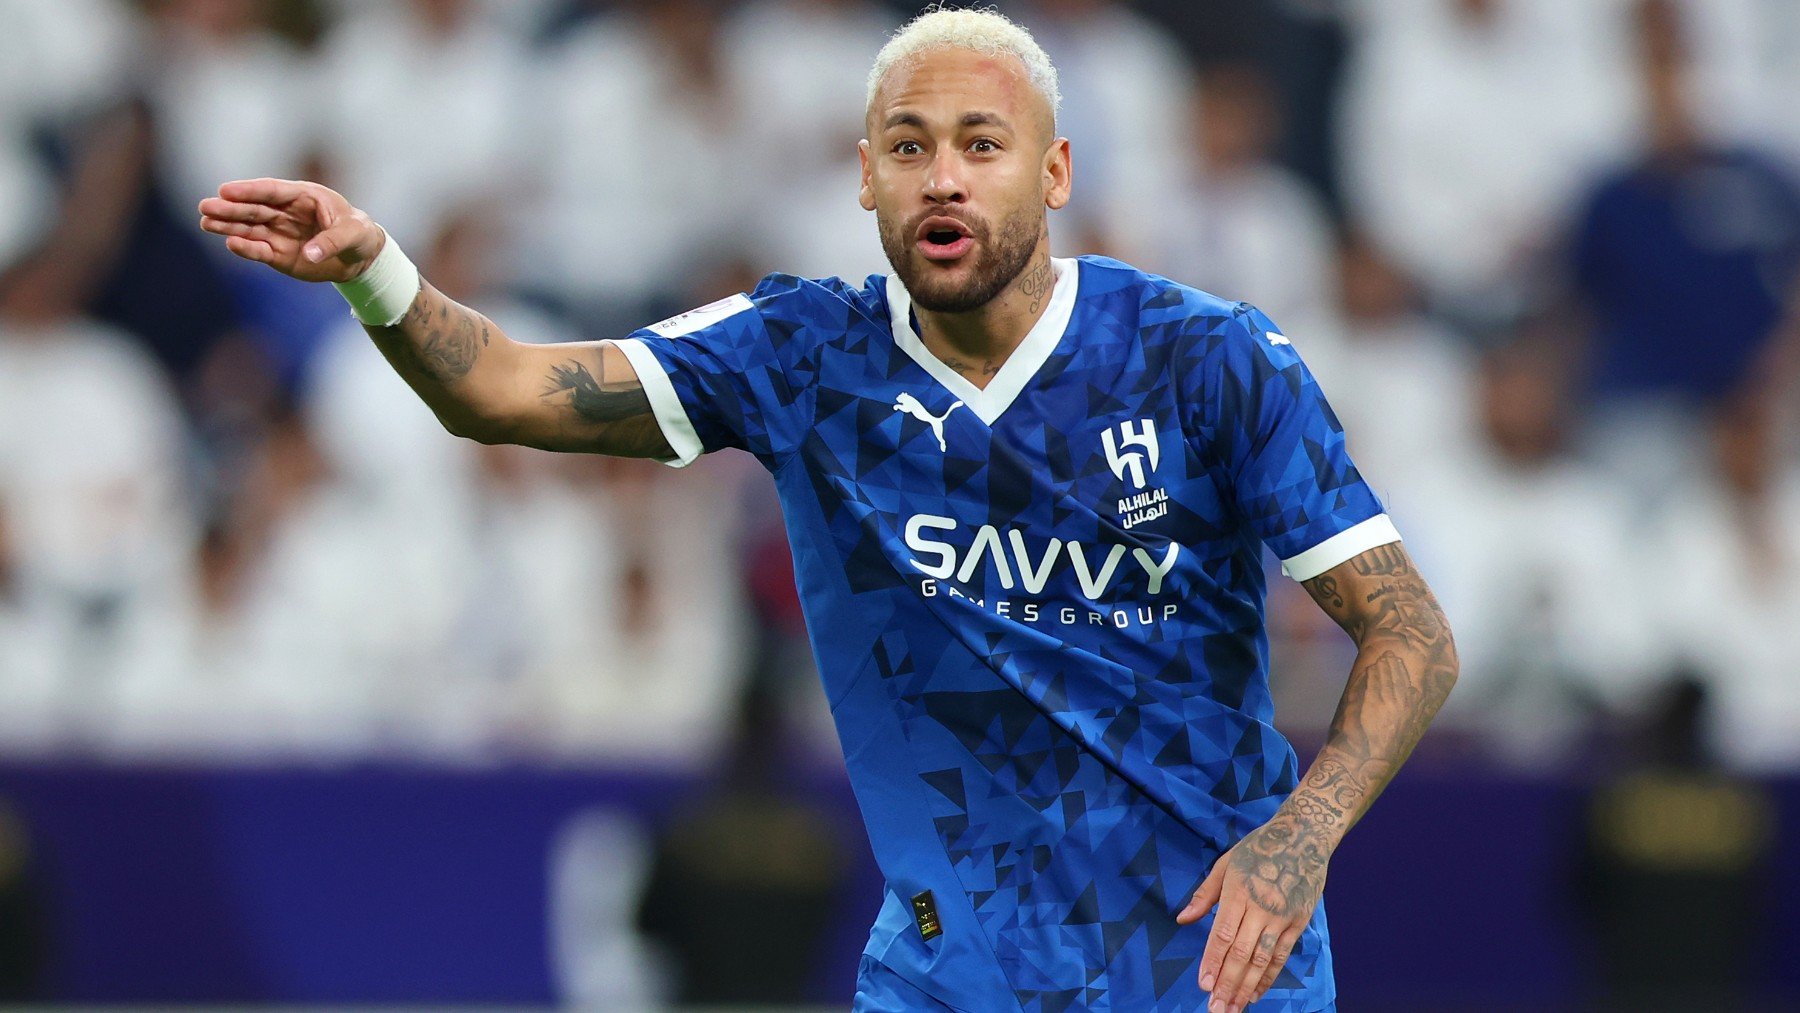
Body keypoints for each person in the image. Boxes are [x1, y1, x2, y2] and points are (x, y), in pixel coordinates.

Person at [196, 9, 1458, 1011]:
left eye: (982, 142)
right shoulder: (803, 356)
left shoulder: (1208, 359)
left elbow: (1412, 631)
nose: (944, 179)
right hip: (949, 980)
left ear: (1056, 170)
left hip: (1212, 973)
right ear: (864, 179)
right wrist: (377, 273)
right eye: (909, 147)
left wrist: (1303, 837)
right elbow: (503, 389)